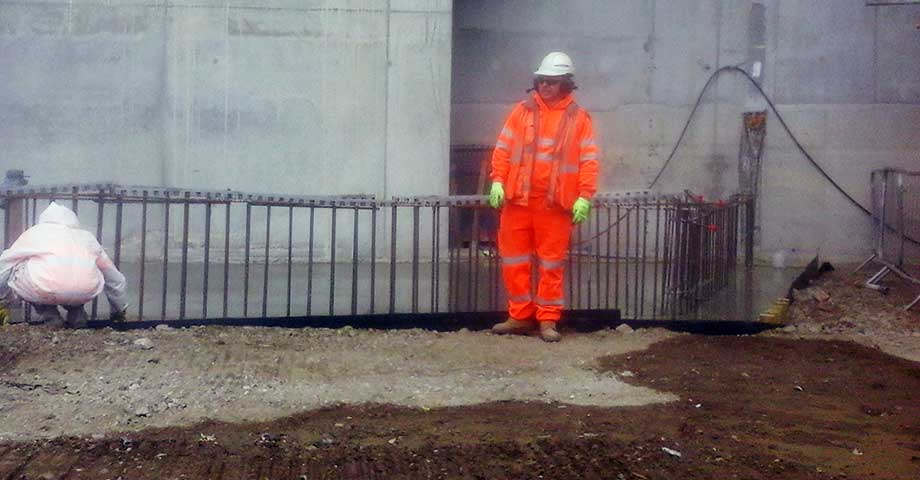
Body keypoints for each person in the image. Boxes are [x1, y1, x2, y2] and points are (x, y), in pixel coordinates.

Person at [488, 51, 600, 342]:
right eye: (542, 80)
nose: (545, 86)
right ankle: (519, 316)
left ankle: (547, 320)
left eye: (552, 81)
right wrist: (497, 181)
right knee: (514, 262)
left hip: (554, 205)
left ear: (565, 84)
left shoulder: (579, 118)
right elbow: (503, 149)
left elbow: (588, 160)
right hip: (518, 202)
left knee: (551, 264)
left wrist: (584, 196)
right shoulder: (521, 112)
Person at [0, 202, 128, 327]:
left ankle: (50, 315)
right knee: (81, 275)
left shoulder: (35, 232)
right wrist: (119, 309)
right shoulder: (87, 237)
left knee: (17, 267)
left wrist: (2, 299)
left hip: (44, 289)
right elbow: (113, 276)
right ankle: (77, 316)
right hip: (84, 291)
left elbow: (5, 265)